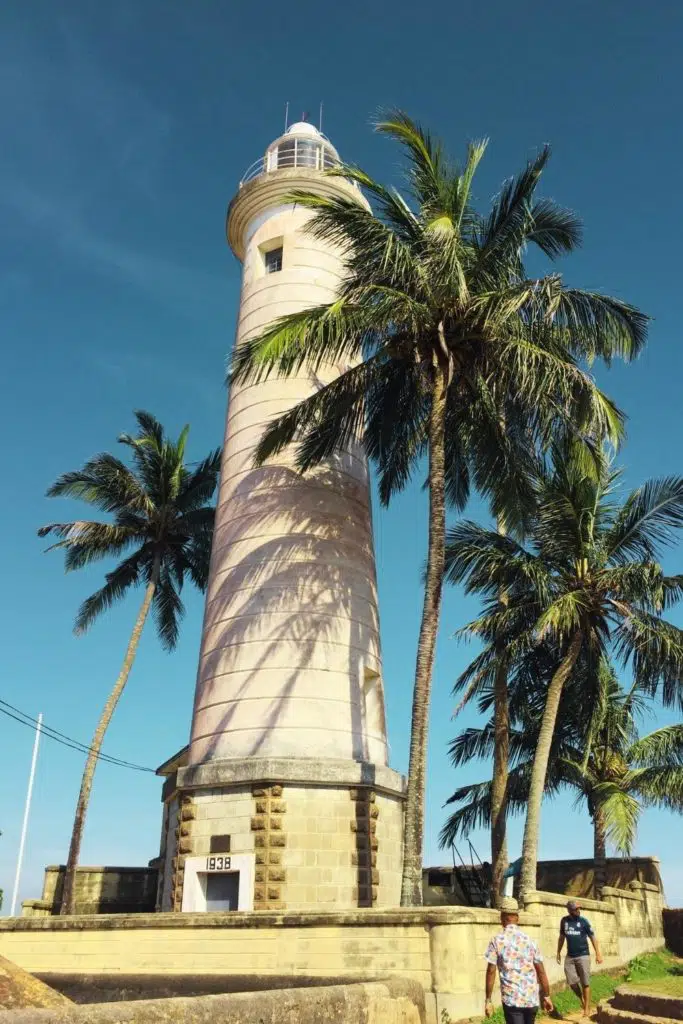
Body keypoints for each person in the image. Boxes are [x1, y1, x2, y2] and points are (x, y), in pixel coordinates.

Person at [485, 897, 553, 1024]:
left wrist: (488, 1000)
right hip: (531, 999)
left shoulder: (496, 941)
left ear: (502, 918)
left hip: (512, 1001)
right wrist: (547, 996)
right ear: (517, 919)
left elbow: (491, 971)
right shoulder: (530, 941)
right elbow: (541, 971)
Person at [557, 899, 604, 1018]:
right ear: (570, 910)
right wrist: (558, 952)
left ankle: (586, 1008)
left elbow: (593, 937)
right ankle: (581, 999)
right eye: (576, 909)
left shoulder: (584, 922)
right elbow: (561, 937)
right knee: (572, 982)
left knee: (585, 982)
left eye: (579, 908)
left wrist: (598, 953)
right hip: (570, 956)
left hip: (583, 955)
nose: (579, 910)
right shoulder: (564, 921)